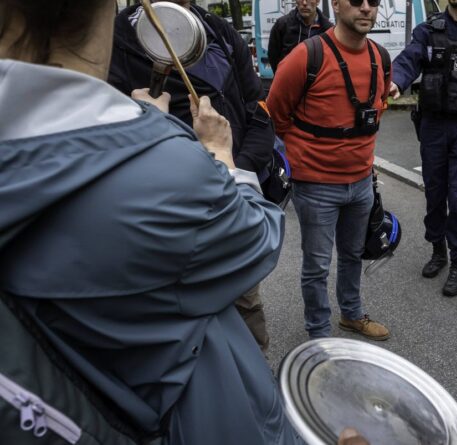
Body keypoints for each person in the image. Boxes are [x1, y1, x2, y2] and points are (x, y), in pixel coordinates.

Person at [0, 0, 301, 443]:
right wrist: (218, 155)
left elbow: (254, 106)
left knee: (246, 313)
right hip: (190, 408)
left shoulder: (216, 30)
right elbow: (259, 235)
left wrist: (143, 129)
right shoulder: (169, 167)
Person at [109, 0, 276, 354]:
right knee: (181, 318)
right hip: (168, 209)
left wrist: (235, 166)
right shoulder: (120, 37)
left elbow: (256, 107)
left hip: (228, 190)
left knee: (245, 300)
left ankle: (256, 384)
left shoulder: (219, 30)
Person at [266, 0, 391, 340]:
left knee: (352, 254)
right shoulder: (306, 56)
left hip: (362, 182)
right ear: (336, 4)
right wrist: (305, 155)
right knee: (317, 266)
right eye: (356, 1)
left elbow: (374, 111)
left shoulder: (380, 56)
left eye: (374, 1)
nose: (366, 8)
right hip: (316, 185)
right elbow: (276, 114)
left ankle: (351, 315)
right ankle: (319, 335)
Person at [388, 0, 457, 297]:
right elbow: (410, 59)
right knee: (435, 192)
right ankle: (438, 250)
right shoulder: (427, 30)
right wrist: (396, 82)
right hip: (434, 124)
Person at [268, 0, 333, 74]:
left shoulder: (327, 29)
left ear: (317, 1)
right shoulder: (282, 24)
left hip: (316, 83)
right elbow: (273, 55)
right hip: (289, 82)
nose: (304, 3)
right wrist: (282, 77)